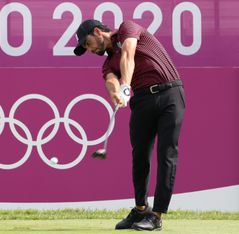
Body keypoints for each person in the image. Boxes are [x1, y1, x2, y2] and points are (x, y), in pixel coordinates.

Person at [73, 19, 186, 231]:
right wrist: (116, 92)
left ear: (97, 32)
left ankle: (157, 216)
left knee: (166, 153)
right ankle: (141, 209)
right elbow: (110, 80)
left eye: (87, 44)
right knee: (140, 155)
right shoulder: (107, 63)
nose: (88, 50)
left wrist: (125, 84)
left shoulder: (128, 28)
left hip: (170, 94)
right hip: (142, 100)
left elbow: (128, 54)